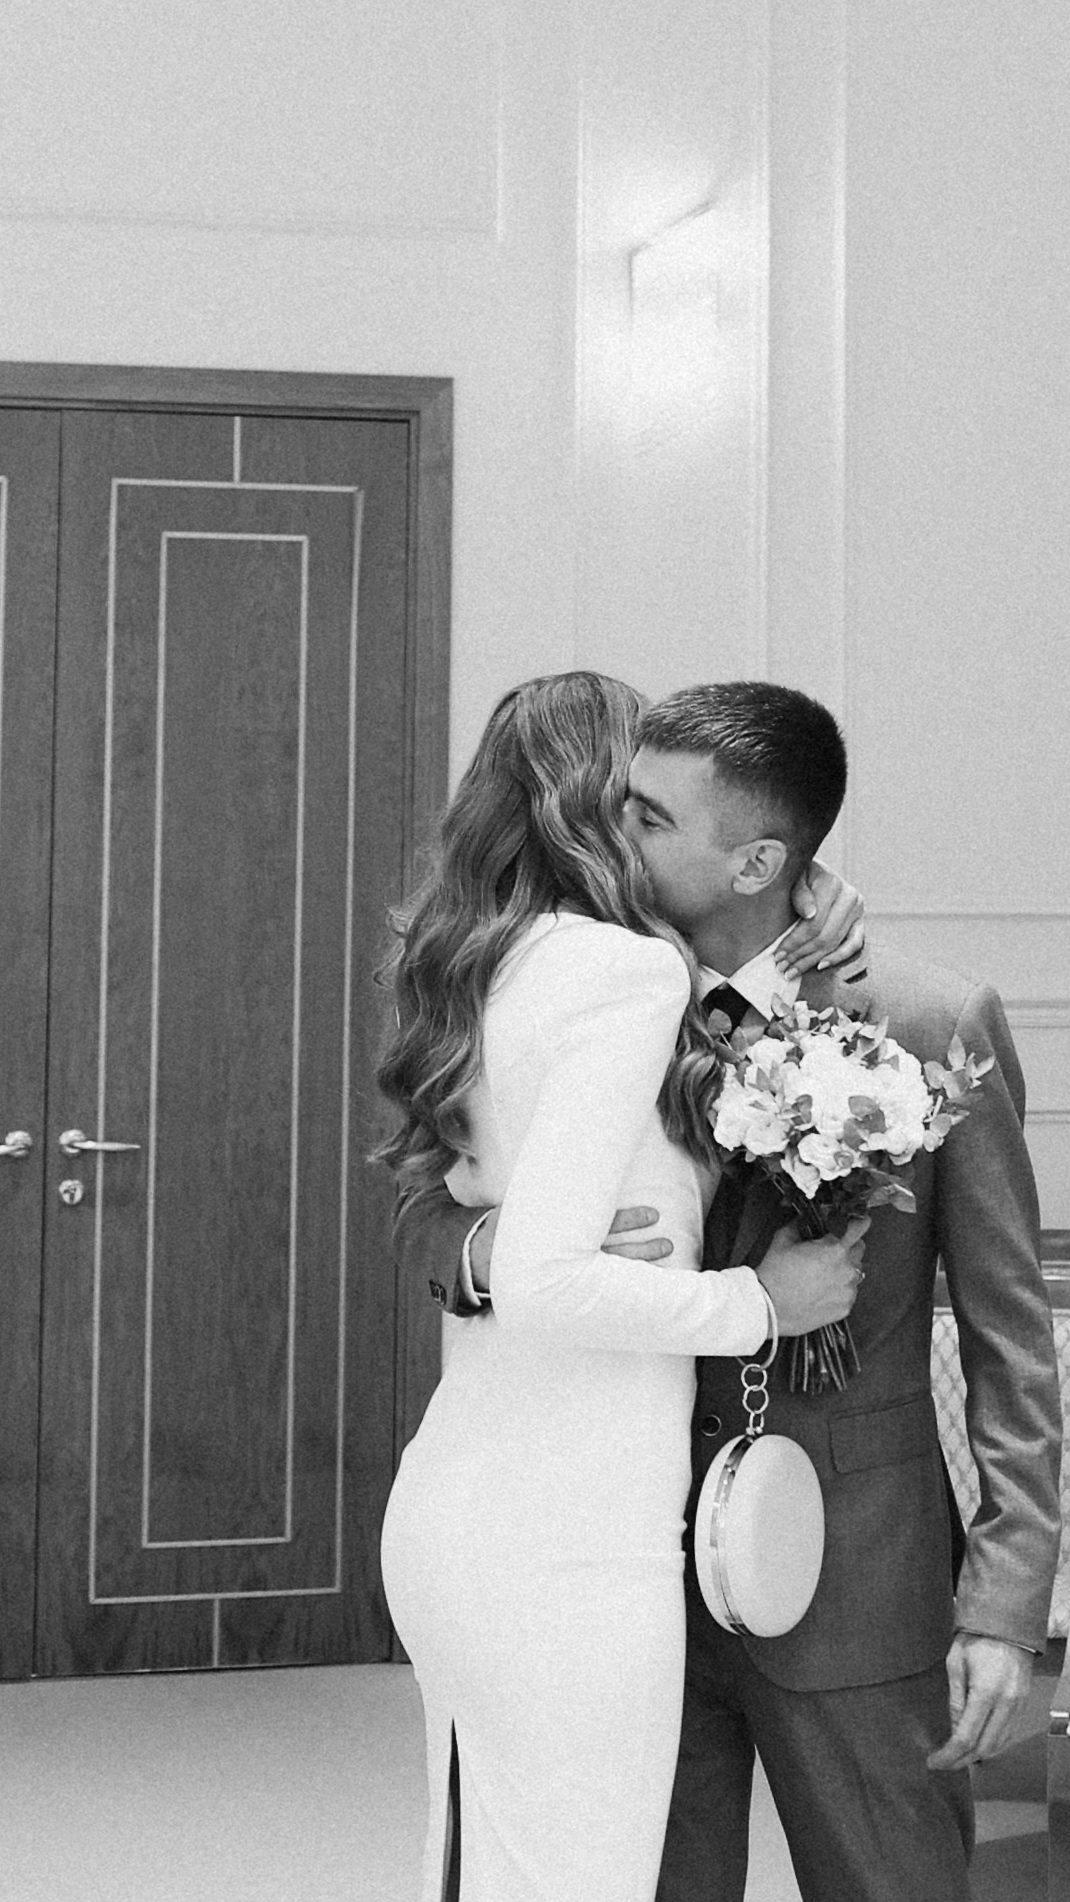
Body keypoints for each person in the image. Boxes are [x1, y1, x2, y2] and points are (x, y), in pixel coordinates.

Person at [404, 679, 1063, 1902]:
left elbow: (1007, 1337)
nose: (609, 823)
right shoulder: (600, 990)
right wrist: (488, 1250)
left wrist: (1001, 1601)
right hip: (629, 1562)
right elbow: (436, 1204)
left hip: (853, 1574)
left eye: (645, 814)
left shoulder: (924, 1020)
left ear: (758, 860)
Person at [376, 672, 869, 1902]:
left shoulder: (483, 963)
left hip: (461, 1503)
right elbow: (543, 1280)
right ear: (593, 802)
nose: (652, 821)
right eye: (641, 802)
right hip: (569, 1533)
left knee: (487, 1870)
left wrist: (797, 910)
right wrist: (757, 1305)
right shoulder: (621, 973)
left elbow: (707, 1044)